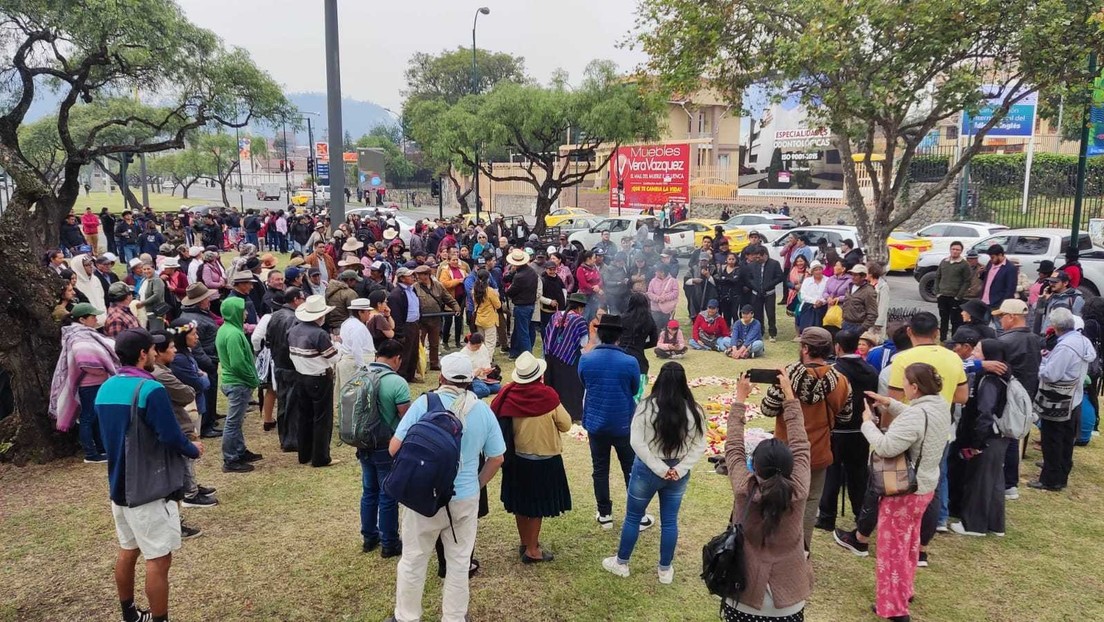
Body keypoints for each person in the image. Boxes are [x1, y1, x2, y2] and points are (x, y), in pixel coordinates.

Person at [94, 328, 202, 622]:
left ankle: (129, 614)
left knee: (128, 549)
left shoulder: (106, 387)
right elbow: (170, 435)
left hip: (119, 486)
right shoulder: (150, 389)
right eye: (152, 350)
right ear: (143, 354)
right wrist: (193, 449)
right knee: (159, 558)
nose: (156, 354)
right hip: (149, 488)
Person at [388, 353, 506, 622]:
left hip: (422, 496)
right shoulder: (483, 411)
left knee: (413, 559)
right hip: (464, 497)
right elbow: (497, 457)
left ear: (442, 377)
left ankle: (406, 616)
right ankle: (454, 617)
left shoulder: (424, 404)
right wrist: (476, 484)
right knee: (458, 561)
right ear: (470, 381)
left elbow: (394, 448)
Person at [862, 363, 952, 622]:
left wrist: (868, 424)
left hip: (904, 491)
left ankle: (894, 607)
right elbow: (917, 418)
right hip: (925, 486)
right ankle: (903, 591)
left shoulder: (917, 414)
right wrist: (889, 403)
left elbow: (886, 447)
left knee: (891, 550)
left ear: (915, 387)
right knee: (908, 543)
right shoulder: (938, 405)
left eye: (905, 384)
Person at [601, 362, 705, 583]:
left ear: (659, 381)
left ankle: (621, 563)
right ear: (683, 382)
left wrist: (658, 467)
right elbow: (699, 445)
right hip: (677, 472)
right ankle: (665, 570)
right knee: (669, 521)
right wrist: (677, 469)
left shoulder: (646, 407)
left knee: (633, 517)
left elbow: (636, 442)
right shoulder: (694, 411)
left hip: (647, 470)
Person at [723, 370, 812, 620]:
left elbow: (733, 447)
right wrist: (789, 396)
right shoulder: (800, 489)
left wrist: (740, 399)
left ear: (754, 466)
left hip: (743, 596)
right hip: (790, 599)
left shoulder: (745, 488)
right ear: (791, 466)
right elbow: (800, 443)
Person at [760, 326, 851, 552]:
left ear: (805, 348)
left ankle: (773, 548)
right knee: (810, 502)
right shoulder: (840, 381)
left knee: (777, 501)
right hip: (817, 453)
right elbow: (846, 417)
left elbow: (767, 409)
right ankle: (801, 549)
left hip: (784, 454)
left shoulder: (787, 376)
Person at [491, 352, 572, 564]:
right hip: (545, 459)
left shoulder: (508, 395)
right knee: (536, 506)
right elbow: (566, 424)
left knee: (521, 503)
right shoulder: (548, 396)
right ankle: (533, 550)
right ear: (539, 376)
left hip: (517, 458)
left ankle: (525, 541)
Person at [577, 314, 653, 530]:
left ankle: (605, 514)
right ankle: (637, 516)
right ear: (619, 337)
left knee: (600, 469)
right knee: (630, 468)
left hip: (596, 423)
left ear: (599, 334)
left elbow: (584, 383)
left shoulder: (586, 359)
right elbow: (633, 390)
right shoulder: (630, 362)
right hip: (623, 423)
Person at [816, 330, 878, 532]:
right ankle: (861, 515)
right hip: (861, 429)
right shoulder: (870, 370)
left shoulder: (833, 370)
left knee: (832, 472)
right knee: (858, 474)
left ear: (838, 347)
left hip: (838, 429)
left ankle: (827, 517)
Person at [151, 327, 216, 515]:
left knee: (188, 456)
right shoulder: (162, 374)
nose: (174, 350)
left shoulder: (167, 367)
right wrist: (200, 380)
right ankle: (190, 493)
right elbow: (188, 392)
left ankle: (191, 486)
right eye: (170, 347)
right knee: (185, 455)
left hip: (183, 415)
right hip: (179, 419)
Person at [1032, 307, 1097, 491]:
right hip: (1074, 396)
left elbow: (1051, 374)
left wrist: (1042, 364)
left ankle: (1050, 480)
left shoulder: (1064, 347)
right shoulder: (1082, 340)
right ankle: (1061, 474)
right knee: (1066, 438)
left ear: (1055, 326)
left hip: (1057, 397)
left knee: (1052, 438)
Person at [950, 338, 1010, 536]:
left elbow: (985, 412)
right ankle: (995, 524)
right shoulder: (1003, 376)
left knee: (979, 480)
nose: (974, 353)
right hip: (999, 436)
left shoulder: (989, 380)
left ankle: (973, 525)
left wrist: (977, 443)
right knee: (995, 481)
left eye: (977, 350)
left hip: (988, 437)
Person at [358, 339, 411, 558]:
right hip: (387, 444)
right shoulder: (396, 383)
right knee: (388, 493)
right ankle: (389, 542)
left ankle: (369, 537)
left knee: (369, 491)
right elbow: (405, 417)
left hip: (363, 442)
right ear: (397, 358)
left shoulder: (359, 375)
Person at [49, 302, 119, 463]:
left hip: (95, 382)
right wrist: (103, 368)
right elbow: (85, 361)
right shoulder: (78, 336)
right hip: (89, 383)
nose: (95, 319)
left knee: (94, 416)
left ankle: (100, 449)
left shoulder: (82, 334)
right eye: (93, 316)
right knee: (88, 417)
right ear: (82, 319)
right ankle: (90, 453)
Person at [991, 298, 1042, 499]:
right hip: (1025, 394)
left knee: (1004, 438)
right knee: (1012, 437)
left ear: (1012, 317)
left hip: (1007, 395)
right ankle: (1010, 483)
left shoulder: (1005, 341)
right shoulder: (1034, 338)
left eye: (1002, 316)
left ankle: (1007, 483)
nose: (1000, 321)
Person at [288, 295, 340, 468]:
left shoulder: (294, 330)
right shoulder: (319, 334)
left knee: (304, 416)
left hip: (301, 376)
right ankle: (321, 457)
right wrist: (337, 344)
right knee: (322, 419)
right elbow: (334, 357)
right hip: (319, 377)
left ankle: (304, 454)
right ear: (320, 315)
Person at [215, 296, 262, 473]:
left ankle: (240, 451)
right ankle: (230, 459)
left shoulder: (226, 329)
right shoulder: (234, 334)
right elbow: (238, 363)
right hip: (237, 383)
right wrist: (252, 379)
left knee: (237, 421)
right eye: (243, 310)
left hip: (234, 382)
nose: (246, 313)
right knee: (233, 422)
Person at [178, 283, 223, 438]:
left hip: (209, 358)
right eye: (206, 298)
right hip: (206, 360)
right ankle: (206, 425)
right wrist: (208, 363)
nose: (209, 300)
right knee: (207, 391)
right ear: (200, 301)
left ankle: (211, 416)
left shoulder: (195, 315)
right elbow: (196, 347)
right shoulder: (193, 320)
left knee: (211, 391)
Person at [542, 293, 590, 420]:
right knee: (570, 388)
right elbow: (583, 342)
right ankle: (571, 414)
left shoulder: (555, 315)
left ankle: (551, 412)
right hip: (569, 358)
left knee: (554, 386)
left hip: (551, 356)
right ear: (580, 308)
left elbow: (547, 333)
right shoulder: (579, 320)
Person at [414, 264, 461, 371]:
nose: (418, 277)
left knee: (434, 343)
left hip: (435, 319)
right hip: (421, 320)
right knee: (419, 344)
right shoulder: (415, 287)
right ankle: (419, 365)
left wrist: (456, 307)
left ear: (427, 275)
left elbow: (448, 298)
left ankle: (434, 363)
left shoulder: (438, 286)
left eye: (420, 275)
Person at [617, 292, 659, 395]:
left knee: (620, 393)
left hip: (620, 357)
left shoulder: (622, 318)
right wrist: (639, 346)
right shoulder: (649, 320)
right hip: (639, 360)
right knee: (636, 396)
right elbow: (654, 341)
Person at [741, 245, 783, 342]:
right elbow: (749, 278)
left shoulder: (774, 263)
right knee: (758, 314)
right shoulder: (752, 265)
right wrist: (755, 286)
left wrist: (769, 285)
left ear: (764, 255)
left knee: (771, 313)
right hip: (756, 293)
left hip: (769, 293)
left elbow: (779, 277)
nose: (757, 259)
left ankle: (772, 333)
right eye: (755, 257)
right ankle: (759, 332)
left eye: (759, 257)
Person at [387, 268, 422, 382]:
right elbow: (396, 315)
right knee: (405, 352)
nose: (413, 277)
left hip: (414, 323)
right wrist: (400, 332)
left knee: (414, 351)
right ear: (402, 278)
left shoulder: (412, 290)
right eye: (409, 276)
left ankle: (410, 375)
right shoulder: (396, 294)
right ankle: (402, 375)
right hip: (405, 325)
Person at [934, 241, 972, 340]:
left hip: (955, 297)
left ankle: (954, 340)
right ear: (950, 249)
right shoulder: (944, 262)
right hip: (942, 296)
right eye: (953, 249)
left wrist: (958, 296)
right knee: (943, 319)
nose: (955, 251)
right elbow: (937, 277)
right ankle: (942, 339)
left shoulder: (964, 264)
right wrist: (937, 292)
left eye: (957, 250)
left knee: (955, 321)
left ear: (961, 251)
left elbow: (967, 281)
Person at [504, 249, 539, 358]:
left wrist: (507, 290)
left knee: (523, 333)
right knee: (522, 330)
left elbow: (511, 291)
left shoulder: (519, 276)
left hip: (522, 306)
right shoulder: (531, 271)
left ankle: (528, 356)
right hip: (530, 305)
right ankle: (514, 352)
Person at [980, 244, 1018, 328]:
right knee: (982, 326)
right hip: (985, 301)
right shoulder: (990, 263)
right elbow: (986, 279)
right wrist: (981, 273)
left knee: (1000, 327)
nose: (991, 259)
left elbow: (1010, 289)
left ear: (1000, 255)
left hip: (998, 302)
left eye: (993, 257)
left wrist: (1003, 304)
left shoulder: (1010, 268)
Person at [839, 263, 878, 334]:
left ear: (863, 277)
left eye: (856, 275)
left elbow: (872, 314)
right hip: (846, 323)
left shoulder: (869, 291)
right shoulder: (850, 287)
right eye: (852, 275)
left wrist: (862, 329)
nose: (853, 277)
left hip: (858, 326)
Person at [461, 333, 501, 398]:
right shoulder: (463, 354)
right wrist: (476, 373)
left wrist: (487, 370)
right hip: (472, 379)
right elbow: (464, 374)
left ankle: (480, 388)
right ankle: (466, 393)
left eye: (480, 346)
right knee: (485, 390)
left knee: (498, 387)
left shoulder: (482, 347)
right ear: (470, 344)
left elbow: (487, 361)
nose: (479, 348)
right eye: (477, 347)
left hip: (483, 378)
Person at [471, 269, 502, 354]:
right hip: (490, 319)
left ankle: (481, 359)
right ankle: (487, 361)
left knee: (481, 342)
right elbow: (498, 305)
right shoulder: (490, 291)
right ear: (488, 278)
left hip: (479, 318)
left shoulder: (474, 290)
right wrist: (497, 296)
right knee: (490, 343)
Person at [797, 260, 828, 332]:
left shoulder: (827, 280)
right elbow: (803, 295)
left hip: (823, 307)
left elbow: (829, 293)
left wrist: (822, 302)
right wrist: (815, 301)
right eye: (816, 270)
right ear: (812, 272)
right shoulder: (807, 281)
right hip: (809, 306)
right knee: (807, 329)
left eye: (819, 269)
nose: (818, 272)